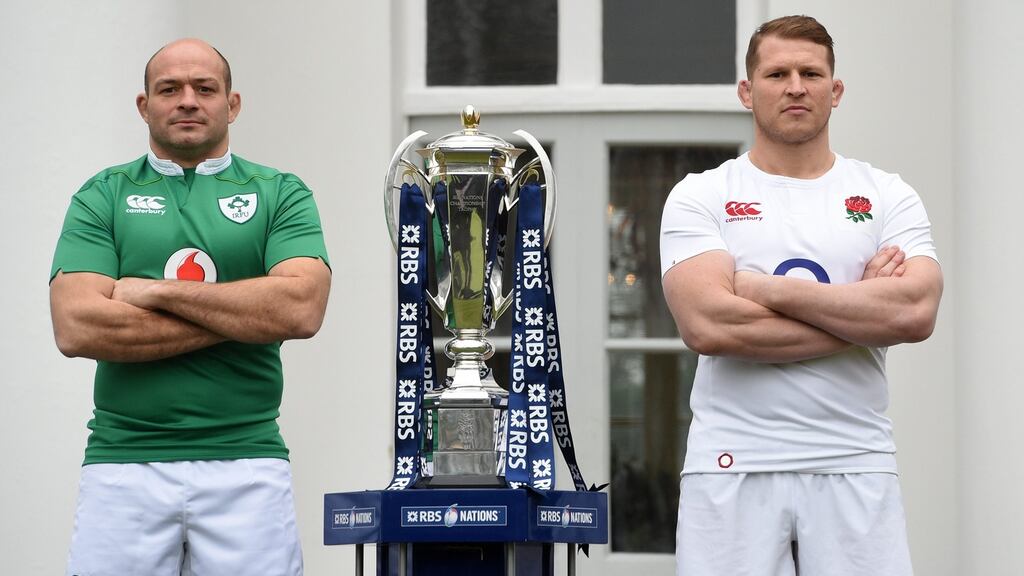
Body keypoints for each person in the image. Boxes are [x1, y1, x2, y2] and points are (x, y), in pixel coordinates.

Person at [660, 15, 942, 576]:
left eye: (811, 73)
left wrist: (764, 288)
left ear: (835, 92)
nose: (795, 86)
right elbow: (712, 328)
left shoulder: (886, 194)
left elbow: (914, 310)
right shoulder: (704, 194)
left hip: (855, 460)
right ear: (747, 91)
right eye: (777, 73)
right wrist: (860, 310)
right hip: (733, 462)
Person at [49, 38, 331, 575]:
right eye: (169, 89)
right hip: (123, 460)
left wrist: (154, 291)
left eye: (205, 88)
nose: (187, 100)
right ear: (143, 105)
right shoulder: (102, 194)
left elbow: (300, 309)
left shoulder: (281, 192)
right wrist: (246, 312)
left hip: (246, 459)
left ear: (232, 104)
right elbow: (76, 326)